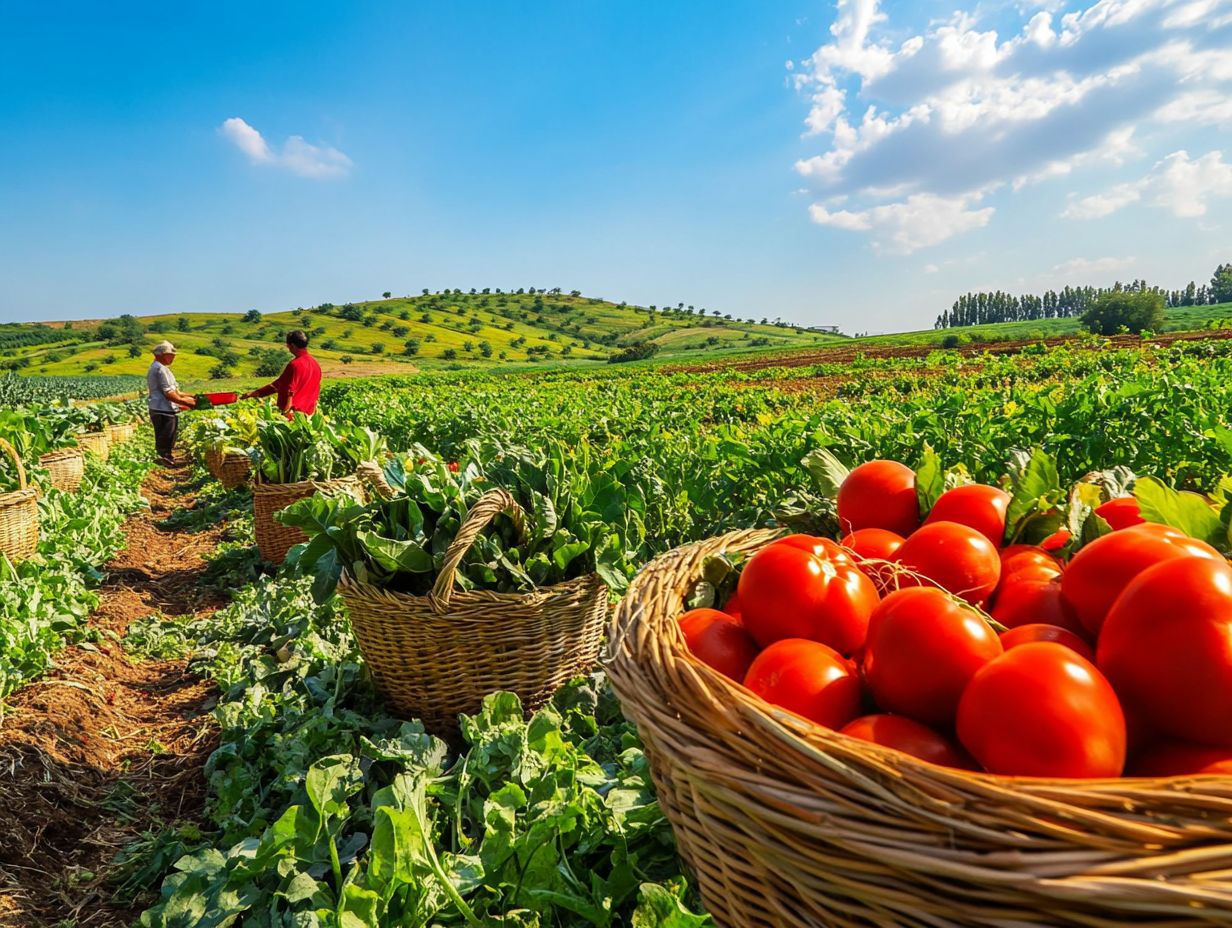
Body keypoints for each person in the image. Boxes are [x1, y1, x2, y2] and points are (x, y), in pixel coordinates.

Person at [242, 330, 323, 416]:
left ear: (292, 346)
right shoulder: (316, 365)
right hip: (309, 415)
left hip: (293, 415)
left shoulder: (295, 365)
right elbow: (278, 385)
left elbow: (290, 391)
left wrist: (286, 413)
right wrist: (254, 393)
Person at [146, 341, 197, 466]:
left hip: (164, 407)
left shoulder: (162, 368)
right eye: (170, 355)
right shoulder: (160, 369)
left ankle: (167, 457)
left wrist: (192, 397)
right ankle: (164, 459)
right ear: (161, 355)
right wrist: (187, 403)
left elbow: (176, 391)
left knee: (170, 435)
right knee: (165, 436)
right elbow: (169, 393)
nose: (173, 357)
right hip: (162, 408)